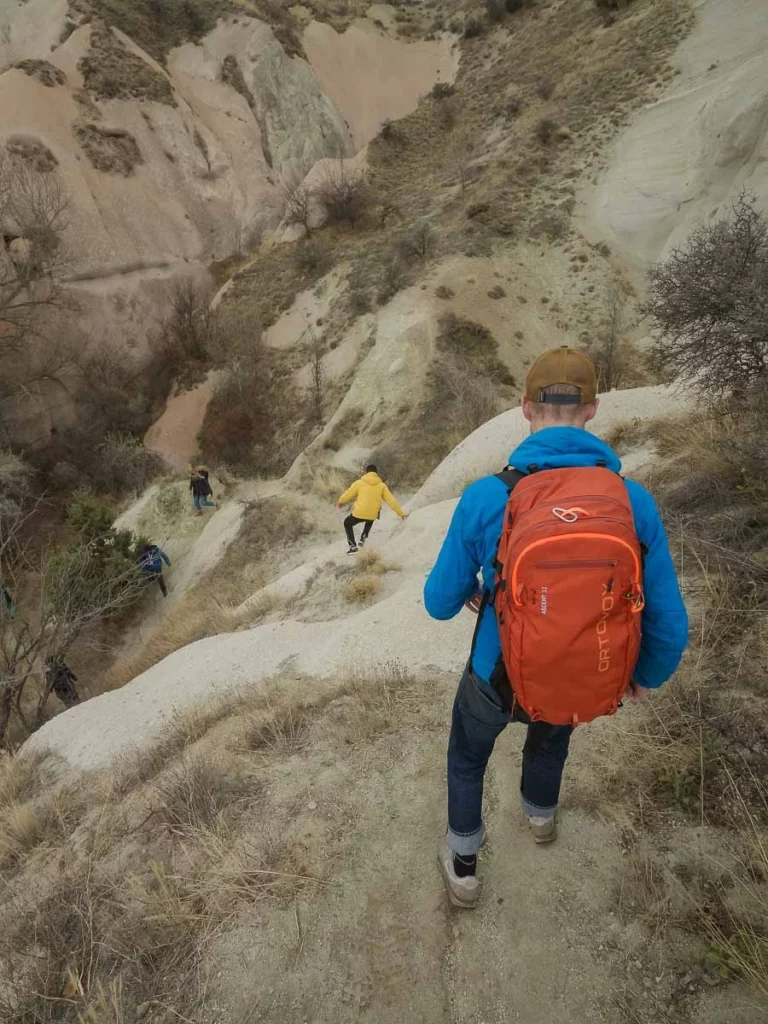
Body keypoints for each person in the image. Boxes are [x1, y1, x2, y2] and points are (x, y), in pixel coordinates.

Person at [424, 346, 688, 909]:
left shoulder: (488, 496)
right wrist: (642, 676)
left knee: (467, 756)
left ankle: (465, 863)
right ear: (592, 410)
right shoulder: (632, 502)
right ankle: (540, 817)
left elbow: (437, 603)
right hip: (581, 665)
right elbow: (669, 625)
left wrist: (479, 588)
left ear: (525, 408)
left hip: (494, 674)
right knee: (551, 740)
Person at [336, 464, 408, 553]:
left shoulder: (359, 483)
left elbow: (348, 494)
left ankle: (353, 547)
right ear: (376, 473)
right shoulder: (382, 485)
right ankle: (364, 535)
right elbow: (391, 501)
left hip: (359, 512)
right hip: (372, 514)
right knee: (371, 515)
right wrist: (401, 514)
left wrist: (340, 502)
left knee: (347, 523)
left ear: (366, 472)